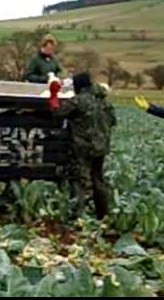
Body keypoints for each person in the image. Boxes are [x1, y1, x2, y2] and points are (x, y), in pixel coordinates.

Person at [49, 72, 116, 219]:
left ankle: (79, 216)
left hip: (83, 148)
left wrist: (53, 94)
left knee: (80, 181)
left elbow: (56, 112)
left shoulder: (78, 101)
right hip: (101, 148)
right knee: (98, 179)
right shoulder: (104, 102)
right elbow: (113, 121)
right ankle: (103, 215)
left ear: (78, 86)